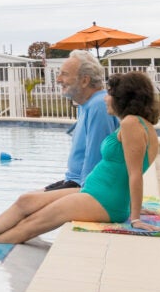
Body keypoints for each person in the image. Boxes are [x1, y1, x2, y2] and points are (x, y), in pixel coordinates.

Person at [0, 71, 160, 243]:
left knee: (31, 224)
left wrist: (135, 217)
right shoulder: (133, 123)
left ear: (123, 97)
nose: (105, 99)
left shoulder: (131, 124)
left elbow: (135, 174)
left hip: (104, 200)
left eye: (110, 94)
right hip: (95, 192)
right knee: (25, 201)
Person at [43, 50, 119, 191]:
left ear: (85, 80)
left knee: (25, 203)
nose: (58, 79)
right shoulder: (86, 105)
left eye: (64, 74)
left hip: (85, 185)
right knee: (26, 200)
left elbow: (96, 158)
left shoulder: (99, 106)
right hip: (73, 180)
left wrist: (83, 198)